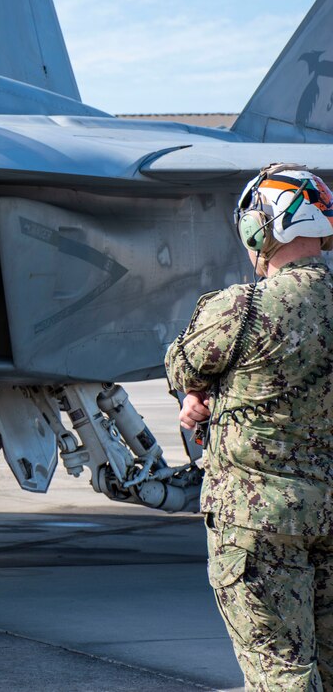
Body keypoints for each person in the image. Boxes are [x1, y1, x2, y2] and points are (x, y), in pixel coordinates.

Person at [165, 164, 333, 689]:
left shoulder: (242, 308)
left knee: (280, 673)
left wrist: (199, 394)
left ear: (262, 230)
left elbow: (182, 364)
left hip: (257, 522)